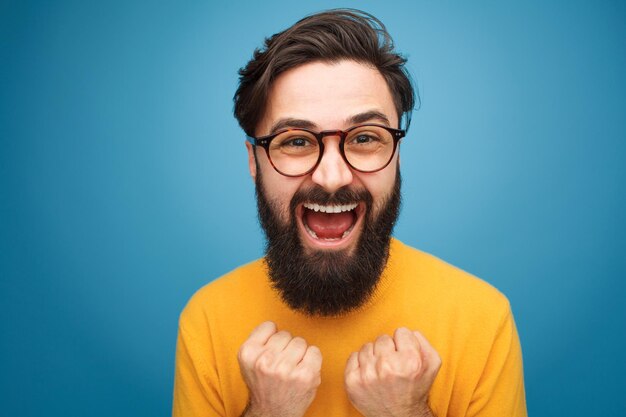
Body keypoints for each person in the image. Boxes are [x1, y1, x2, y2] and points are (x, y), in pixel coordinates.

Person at [172, 9, 527, 417]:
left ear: (397, 155)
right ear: (254, 160)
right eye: (296, 141)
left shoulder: (481, 318)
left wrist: (406, 412)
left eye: (364, 138)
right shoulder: (209, 319)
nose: (332, 177)